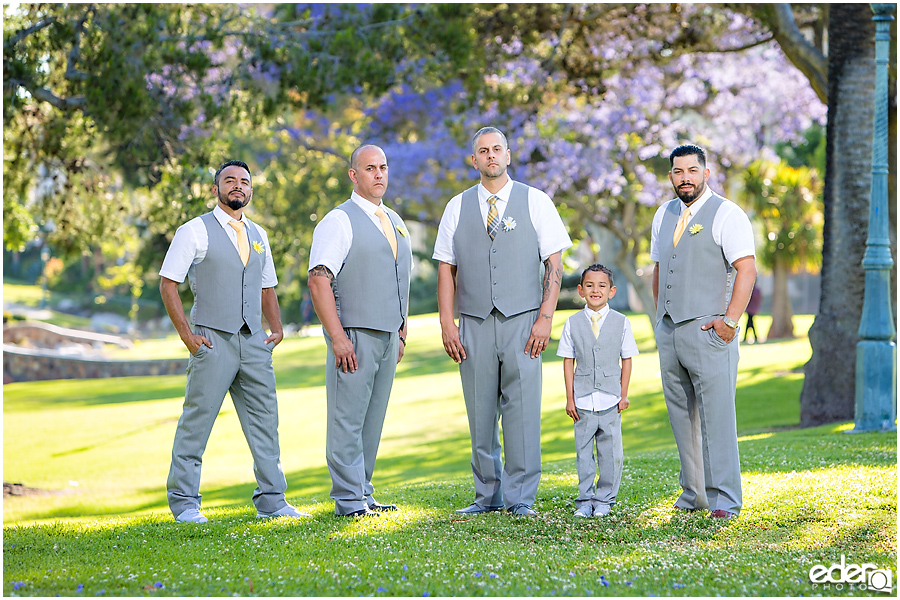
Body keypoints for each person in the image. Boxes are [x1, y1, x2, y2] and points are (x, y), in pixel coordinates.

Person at [160, 159, 308, 523]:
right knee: (197, 422)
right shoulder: (194, 231)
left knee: (265, 422)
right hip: (211, 341)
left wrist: (276, 327)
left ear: (251, 191)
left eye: (244, 181)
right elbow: (168, 284)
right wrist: (189, 337)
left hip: (254, 343)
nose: (238, 186)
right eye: (230, 180)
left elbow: (266, 285)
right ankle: (184, 504)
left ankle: (273, 501)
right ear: (216, 189)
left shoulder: (259, 234)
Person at [434, 126, 572, 517]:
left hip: (524, 321)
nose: (491, 155)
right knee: (479, 413)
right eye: (483, 150)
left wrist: (546, 318)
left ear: (508, 155)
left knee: (523, 411)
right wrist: (448, 323)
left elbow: (554, 264)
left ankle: (520, 499)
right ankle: (487, 496)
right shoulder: (456, 207)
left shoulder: (536, 201)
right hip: (474, 323)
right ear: (473, 160)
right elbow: (447, 269)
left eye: (497, 149)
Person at [651, 144, 757, 519]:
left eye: (692, 171)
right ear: (671, 177)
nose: (686, 178)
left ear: (706, 173)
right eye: (678, 172)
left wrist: (729, 323)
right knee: (682, 417)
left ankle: (725, 501)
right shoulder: (663, 215)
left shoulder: (727, 214)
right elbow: (660, 268)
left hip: (711, 332)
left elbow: (747, 269)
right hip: (670, 332)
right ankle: (693, 495)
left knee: (717, 418)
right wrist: (658, 318)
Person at [307, 144, 412, 518]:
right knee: (347, 419)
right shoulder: (339, 221)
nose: (379, 174)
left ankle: (364, 492)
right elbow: (319, 281)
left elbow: (400, 276)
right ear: (354, 175)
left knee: (373, 419)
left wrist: (401, 329)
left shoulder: (395, 220)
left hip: (387, 336)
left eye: (383, 167)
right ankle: (348, 500)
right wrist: (337, 337)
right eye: (370, 168)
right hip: (353, 334)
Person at [557, 264, 638, 518]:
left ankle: (604, 499)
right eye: (590, 285)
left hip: (611, 400)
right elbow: (568, 361)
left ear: (611, 291)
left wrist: (623, 394)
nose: (596, 290)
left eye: (602, 286)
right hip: (582, 400)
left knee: (610, 452)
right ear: (581, 290)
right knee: (583, 453)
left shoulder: (622, 322)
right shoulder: (571, 323)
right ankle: (584, 499)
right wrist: (570, 398)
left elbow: (627, 359)